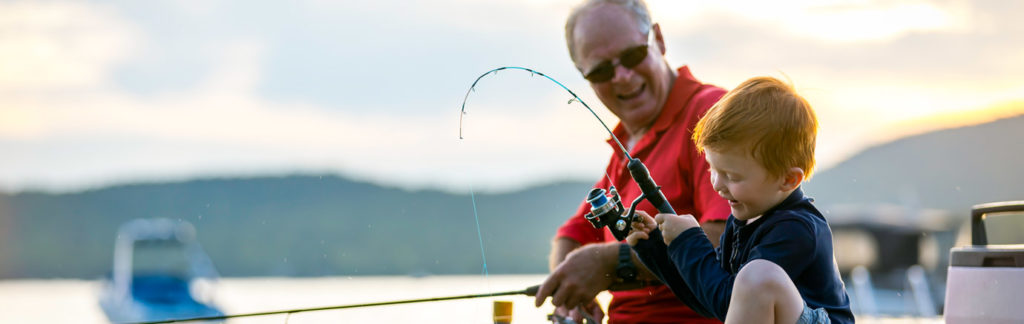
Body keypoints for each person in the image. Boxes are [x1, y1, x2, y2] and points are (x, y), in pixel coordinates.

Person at [533, 0, 731, 323]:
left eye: (632, 55)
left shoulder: (711, 114)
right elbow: (573, 235)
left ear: (660, 40)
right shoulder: (625, 148)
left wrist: (614, 263)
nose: (622, 77)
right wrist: (570, 292)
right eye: (601, 70)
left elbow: (730, 237)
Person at [626, 77, 854, 324]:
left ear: (788, 179)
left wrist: (688, 240)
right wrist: (658, 249)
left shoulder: (797, 229)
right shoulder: (742, 223)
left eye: (732, 176)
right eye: (713, 170)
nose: (717, 185)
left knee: (756, 275)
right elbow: (710, 301)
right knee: (750, 278)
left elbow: (728, 301)